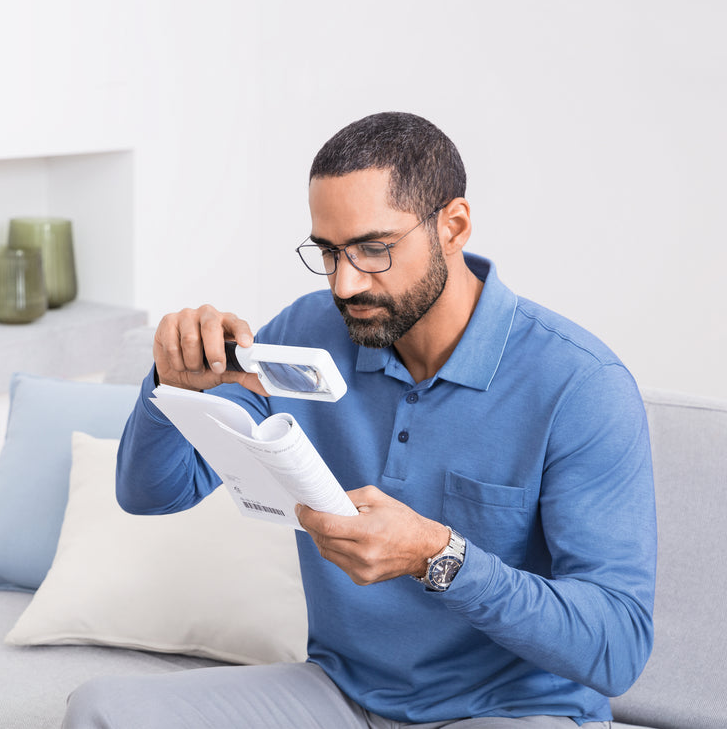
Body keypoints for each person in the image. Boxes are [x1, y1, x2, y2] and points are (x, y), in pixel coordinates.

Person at [62, 112, 656, 729]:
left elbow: (618, 650)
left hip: (515, 712)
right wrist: (170, 389)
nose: (345, 284)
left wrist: (438, 555)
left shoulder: (580, 385)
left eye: (374, 250)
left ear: (452, 225)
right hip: (341, 698)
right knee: (102, 710)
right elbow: (150, 496)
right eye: (328, 252)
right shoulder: (310, 331)